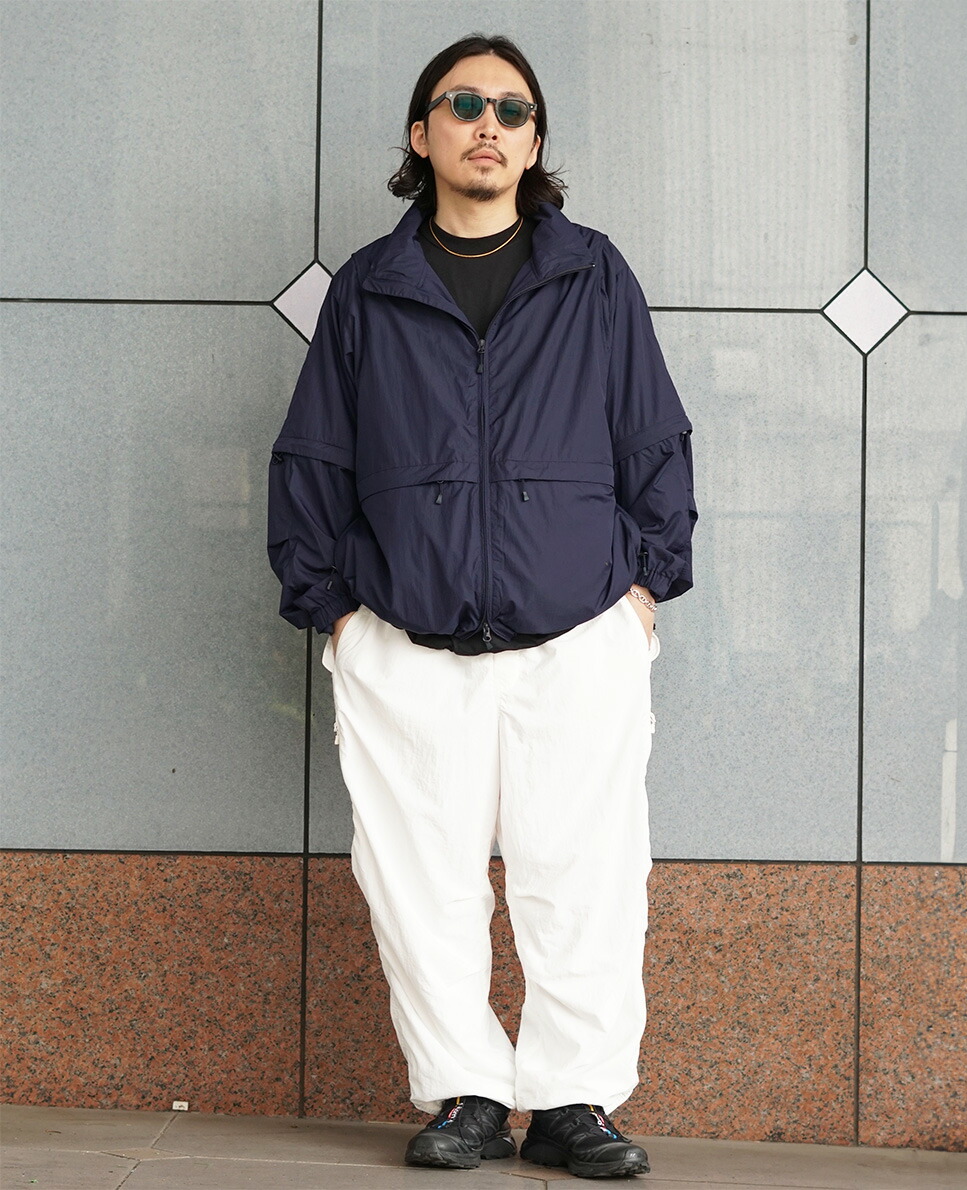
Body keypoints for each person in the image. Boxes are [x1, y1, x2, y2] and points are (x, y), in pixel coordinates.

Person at [267, 32, 697, 1181]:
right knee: (420, 881)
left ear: (536, 140)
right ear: (423, 136)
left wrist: (644, 588)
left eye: (511, 108)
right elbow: (313, 455)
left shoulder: (592, 275)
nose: (488, 124)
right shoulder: (370, 288)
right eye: (463, 105)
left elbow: (654, 434)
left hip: (578, 637)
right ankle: (465, 1089)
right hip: (407, 641)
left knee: (586, 875)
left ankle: (572, 1099)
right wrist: (337, 612)